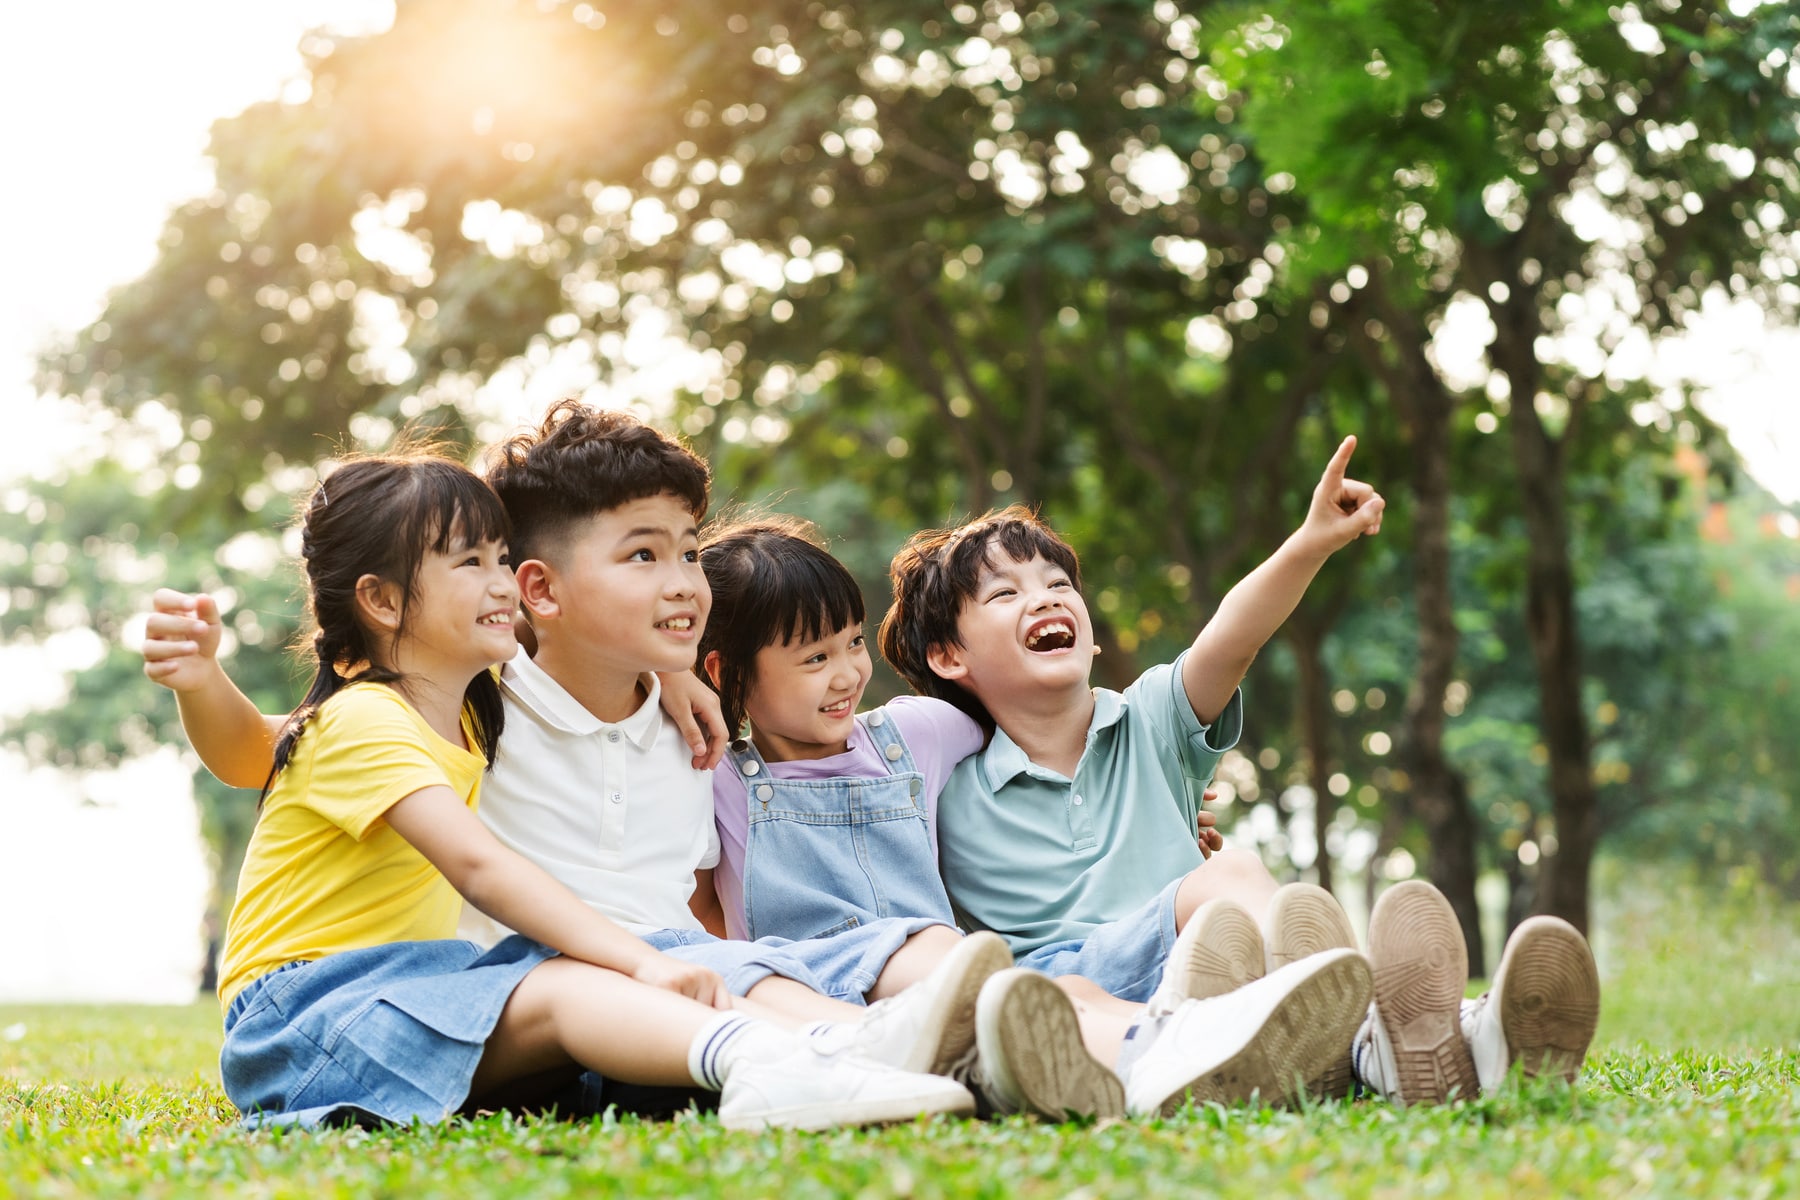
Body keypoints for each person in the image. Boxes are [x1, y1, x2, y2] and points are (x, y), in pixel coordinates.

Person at [151, 450, 970, 1131]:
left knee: (599, 1010)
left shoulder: (466, 711)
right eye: (471, 564)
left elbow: (574, 621)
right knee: (574, 982)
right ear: (382, 600)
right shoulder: (364, 719)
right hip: (303, 1012)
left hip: (423, 982)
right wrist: (199, 679)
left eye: (501, 560)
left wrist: (672, 667)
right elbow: (478, 868)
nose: (503, 582)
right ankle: (769, 1063)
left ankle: (852, 1046)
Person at [881, 436, 1600, 1103]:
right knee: (1221, 888)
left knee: (1230, 889)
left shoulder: (1150, 719)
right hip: (1074, 996)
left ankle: (1450, 1037)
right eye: (1005, 595)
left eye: (1059, 583)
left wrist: (1310, 544)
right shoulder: (947, 789)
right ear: (950, 658)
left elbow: (1234, 636)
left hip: (1206, 960)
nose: (1045, 597)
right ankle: (1366, 1038)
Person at [697, 517, 1373, 1116]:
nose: (846, 674)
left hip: (1007, 966)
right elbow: (700, 902)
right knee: (1013, 977)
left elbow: (1228, 642)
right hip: (878, 980)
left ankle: (1334, 1021)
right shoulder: (714, 775)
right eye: (815, 658)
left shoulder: (917, 735)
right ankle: (1217, 1037)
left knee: (1235, 873)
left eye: (851, 646)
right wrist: (680, 679)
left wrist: (1168, 801)